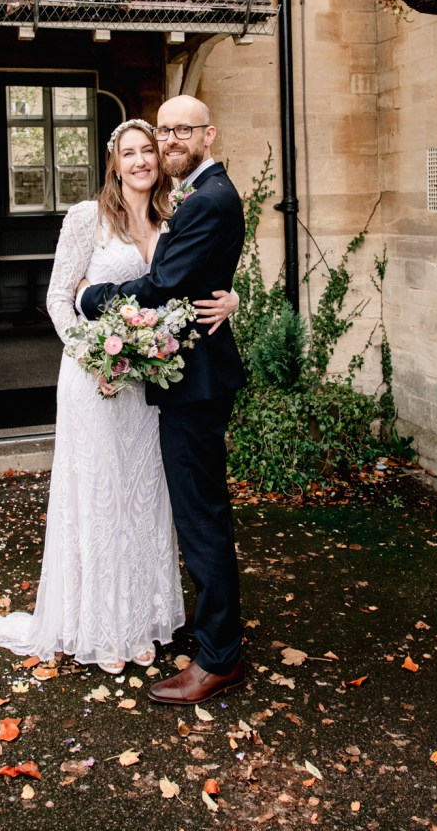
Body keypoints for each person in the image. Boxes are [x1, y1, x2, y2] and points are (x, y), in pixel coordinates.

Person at [0, 118, 238, 675]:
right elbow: (60, 297)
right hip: (96, 381)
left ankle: (142, 618)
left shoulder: (174, 217)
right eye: (129, 153)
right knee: (100, 498)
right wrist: (93, 357)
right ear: (114, 163)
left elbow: (193, 277)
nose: (141, 160)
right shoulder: (88, 218)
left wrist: (233, 297)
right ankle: (98, 624)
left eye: (148, 149)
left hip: (151, 386)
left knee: (145, 497)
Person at [78, 95, 247, 704]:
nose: (171, 141)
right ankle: (214, 630)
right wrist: (231, 294)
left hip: (195, 384)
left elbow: (165, 285)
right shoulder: (195, 197)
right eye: (164, 130)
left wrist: (92, 298)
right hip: (188, 378)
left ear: (209, 133)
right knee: (198, 512)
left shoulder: (208, 200)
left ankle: (219, 659)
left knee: (201, 518)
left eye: (182, 131)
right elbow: (200, 277)